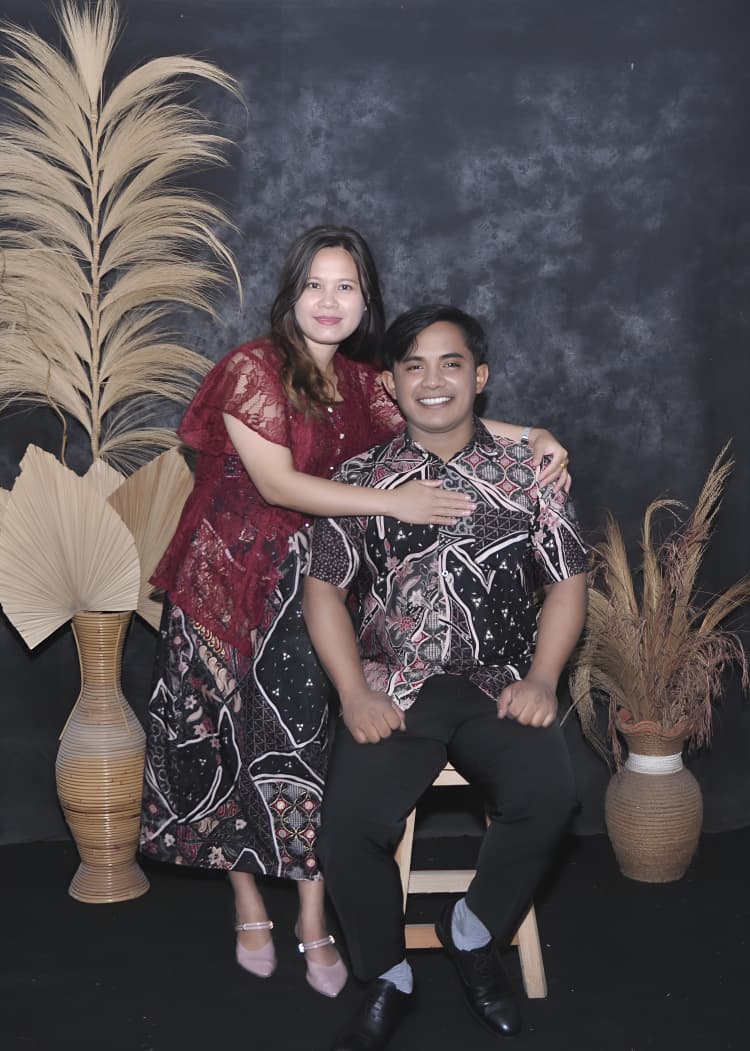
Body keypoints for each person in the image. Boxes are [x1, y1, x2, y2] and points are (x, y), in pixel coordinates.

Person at [139, 227, 571, 1001]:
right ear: (292, 293)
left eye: (346, 286)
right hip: (231, 576)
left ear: (365, 300)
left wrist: (536, 435)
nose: (329, 301)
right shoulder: (252, 369)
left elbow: (439, 408)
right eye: (315, 284)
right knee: (226, 743)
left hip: (313, 578)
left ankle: (315, 919)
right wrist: (393, 502)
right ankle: (248, 904)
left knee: (305, 746)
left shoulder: (363, 381)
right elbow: (278, 485)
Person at [302, 303, 588, 1047]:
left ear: (480, 376)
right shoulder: (360, 479)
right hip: (396, 684)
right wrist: (353, 693)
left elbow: (568, 580)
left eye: (451, 363)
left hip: (498, 682)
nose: (433, 380)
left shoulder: (530, 472)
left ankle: (470, 933)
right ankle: (389, 976)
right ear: (391, 384)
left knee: (550, 796)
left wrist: (544, 678)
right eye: (414, 366)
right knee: (346, 828)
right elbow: (323, 592)